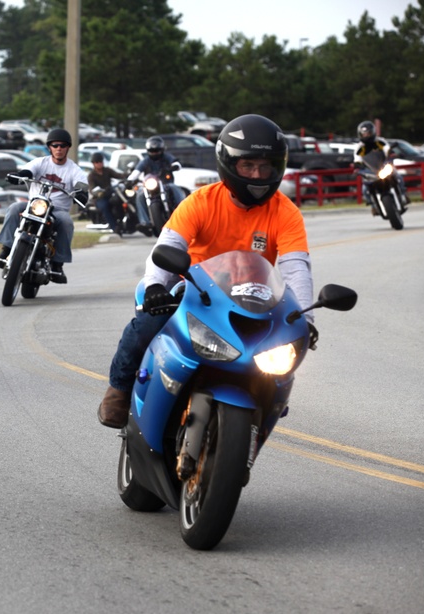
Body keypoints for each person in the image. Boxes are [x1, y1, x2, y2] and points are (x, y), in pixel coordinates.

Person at [98, 114, 316, 428]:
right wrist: (156, 286)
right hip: (192, 292)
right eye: (248, 166)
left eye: (265, 166)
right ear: (229, 165)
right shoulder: (199, 202)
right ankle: (118, 389)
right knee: (148, 322)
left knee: (278, 354)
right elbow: (166, 247)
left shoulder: (287, 212)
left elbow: (296, 268)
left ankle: (268, 401)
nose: (257, 175)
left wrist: (305, 319)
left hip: (251, 299)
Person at [0, 128, 89, 284]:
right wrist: (20, 176)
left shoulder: (74, 170)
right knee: (14, 208)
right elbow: (28, 171)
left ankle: (58, 264)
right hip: (35, 205)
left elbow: (82, 185)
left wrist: (81, 192)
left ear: (68, 148)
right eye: (55, 145)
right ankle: (6, 250)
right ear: (50, 147)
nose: (59, 149)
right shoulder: (40, 162)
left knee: (67, 222)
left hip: (57, 210)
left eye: (63, 145)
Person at [125, 136, 186, 234]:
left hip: (166, 183)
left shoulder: (167, 157)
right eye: (151, 151)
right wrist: (129, 180)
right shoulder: (145, 161)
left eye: (156, 151)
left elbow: (176, 163)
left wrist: (175, 166)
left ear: (162, 150)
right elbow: (136, 171)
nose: (154, 153)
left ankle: (184, 213)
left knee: (175, 189)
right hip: (150, 186)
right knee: (139, 195)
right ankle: (145, 222)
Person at [353, 120, 408, 213]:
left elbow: (387, 149)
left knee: (398, 177)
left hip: (384, 166)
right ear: (360, 135)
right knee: (365, 189)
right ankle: (373, 205)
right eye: (364, 134)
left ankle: (403, 195)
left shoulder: (379, 141)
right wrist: (357, 167)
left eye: (368, 133)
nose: (366, 135)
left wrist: (391, 153)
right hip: (370, 171)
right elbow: (357, 159)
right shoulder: (359, 147)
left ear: (373, 132)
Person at [87, 151, 127, 235]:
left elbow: (118, 175)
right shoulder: (91, 175)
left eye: (100, 161)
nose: (99, 164)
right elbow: (91, 188)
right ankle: (114, 227)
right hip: (99, 197)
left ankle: (124, 221)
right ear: (93, 163)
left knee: (120, 200)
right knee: (104, 206)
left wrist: (128, 175)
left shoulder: (107, 170)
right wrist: (97, 191)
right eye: (97, 162)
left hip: (110, 193)